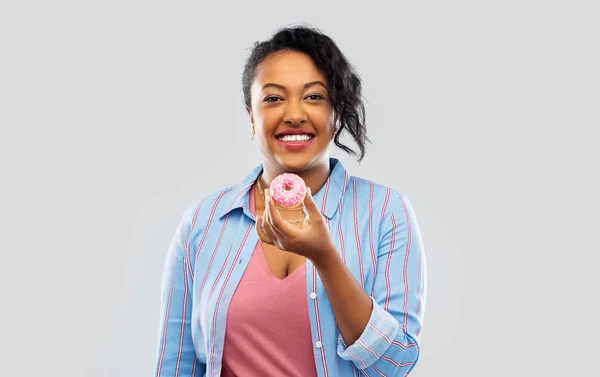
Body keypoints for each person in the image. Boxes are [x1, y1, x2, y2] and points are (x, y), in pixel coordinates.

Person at [154, 24, 427, 377]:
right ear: (252, 117)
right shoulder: (204, 222)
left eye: (313, 96)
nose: (294, 113)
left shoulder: (386, 213)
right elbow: (176, 365)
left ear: (337, 112)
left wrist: (325, 258)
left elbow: (396, 363)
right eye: (273, 98)